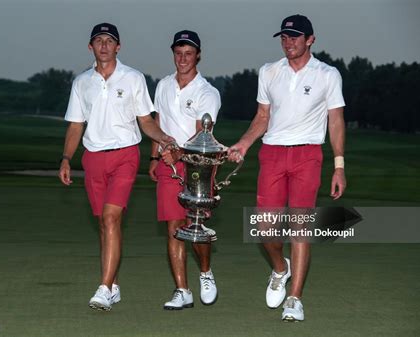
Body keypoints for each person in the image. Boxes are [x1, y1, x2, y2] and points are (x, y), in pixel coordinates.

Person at [228, 14, 346, 322]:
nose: (288, 42)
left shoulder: (327, 74)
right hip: (272, 154)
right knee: (265, 228)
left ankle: (294, 298)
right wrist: (243, 143)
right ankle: (280, 268)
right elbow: (262, 117)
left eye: (294, 37)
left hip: (308, 155)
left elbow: (335, 121)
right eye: (284, 37)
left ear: (310, 40)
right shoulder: (269, 72)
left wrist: (339, 165)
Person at [58, 22, 173, 311]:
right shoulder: (81, 82)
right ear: (91, 47)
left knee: (110, 218)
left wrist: (164, 138)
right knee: (105, 224)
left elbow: (145, 121)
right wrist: (65, 158)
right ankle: (115, 285)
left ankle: (105, 287)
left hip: (125, 155)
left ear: (118, 46)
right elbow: (75, 125)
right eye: (99, 40)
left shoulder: (133, 78)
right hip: (93, 157)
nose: (105, 45)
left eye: (110, 40)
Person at [148, 30, 221, 310]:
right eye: (178, 53)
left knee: (195, 227)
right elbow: (158, 121)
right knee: (174, 227)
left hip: (197, 168)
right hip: (167, 162)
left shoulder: (207, 92)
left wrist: (177, 152)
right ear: (173, 53)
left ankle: (205, 271)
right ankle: (182, 290)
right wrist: (154, 157)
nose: (182, 58)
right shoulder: (163, 85)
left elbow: (202, 134)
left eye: (188, 53)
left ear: (197, 55)